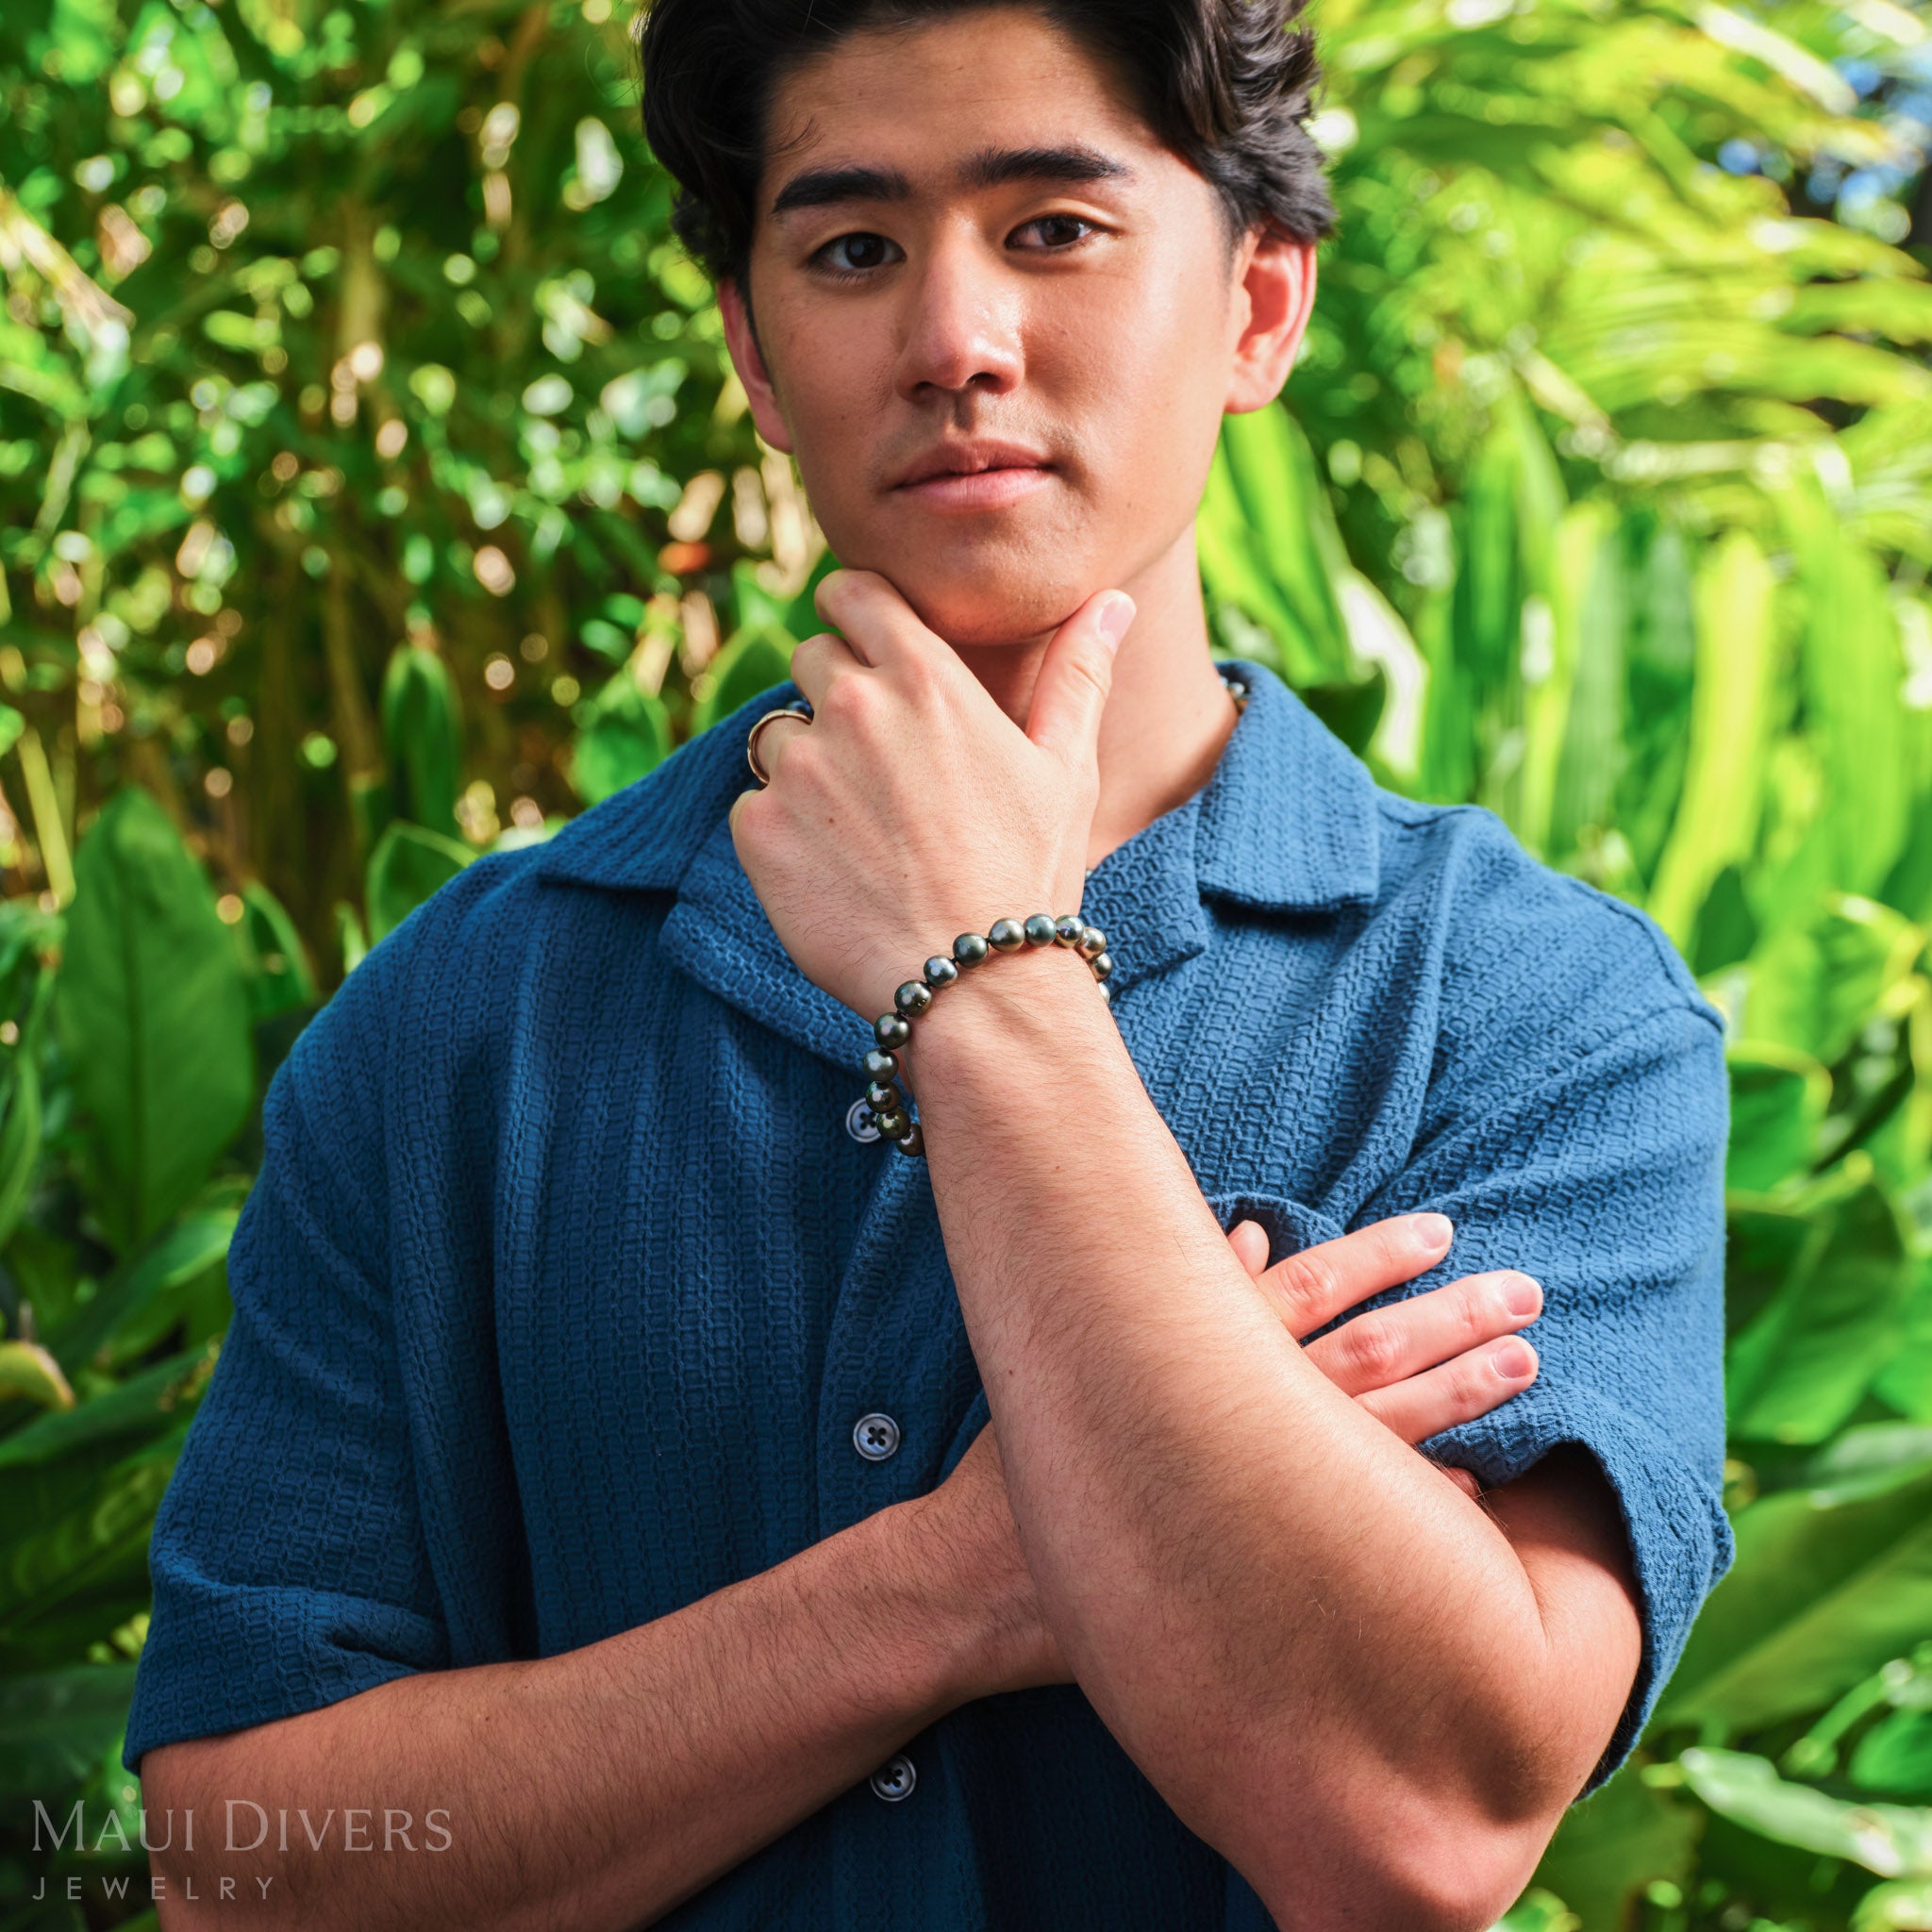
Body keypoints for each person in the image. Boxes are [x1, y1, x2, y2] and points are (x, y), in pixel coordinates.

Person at [125, 1, 1733, 1927]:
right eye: (852, 247)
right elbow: (236, 1868)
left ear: (1258, 311)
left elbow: (1420, 1831)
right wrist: (957, 1585)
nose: (955, 339)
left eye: (1052, 226)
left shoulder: (1532, 1012)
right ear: (751, 346)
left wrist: (992, 985)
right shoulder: (455, 1018)